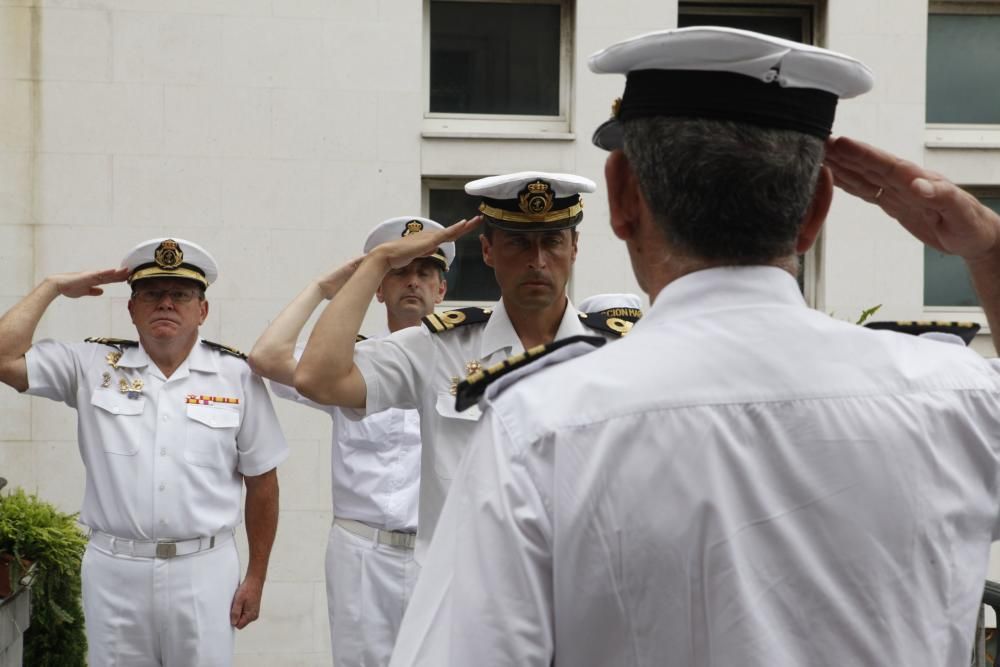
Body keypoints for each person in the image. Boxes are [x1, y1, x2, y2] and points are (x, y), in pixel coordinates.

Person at [388, 26, 1000, 666]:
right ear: (817, 208)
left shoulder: (542, 428)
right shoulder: (954, 400)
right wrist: (987, 252)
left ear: (621, 199)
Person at [293, 172, 629, 562]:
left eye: (552, 242)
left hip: (579, 590)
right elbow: (317, 377)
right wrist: (379, 262)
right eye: (518, 243)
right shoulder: (438, 348)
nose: (537, 261)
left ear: (574, 248)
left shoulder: (616, 354)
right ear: (487, 250)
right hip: (468, 598)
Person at [0, 237, 288, 666]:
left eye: (180, 295)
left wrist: (257, 576)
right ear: (132, 309)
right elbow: (4, 357)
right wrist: (53, 286)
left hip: (204, 570)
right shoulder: (91, 366)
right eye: (151, 294)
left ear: (202, 310)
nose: (165, 304)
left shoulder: (236, 376)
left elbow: (262, 480)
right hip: (115, 570)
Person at [248, 217, 454, 666]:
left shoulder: (466, 361)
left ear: (442, 290)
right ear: (377, 288)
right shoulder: (345, 363)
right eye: (399, 271)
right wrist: (324, 289)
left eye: (425, 273)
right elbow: (266, 357)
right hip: (362, 552)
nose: (412, 282)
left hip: (438, 552)